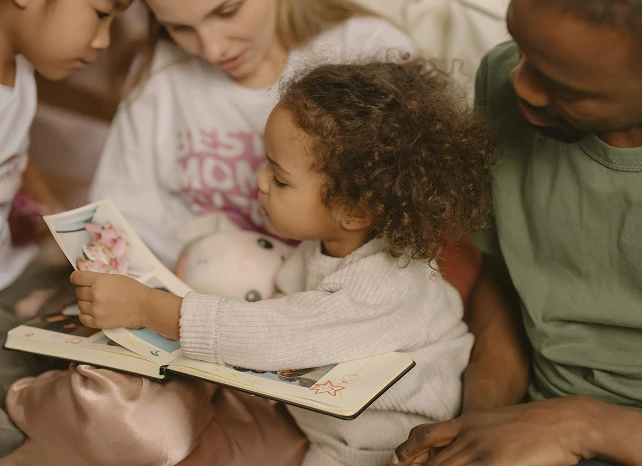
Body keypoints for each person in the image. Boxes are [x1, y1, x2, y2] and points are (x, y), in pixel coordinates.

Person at [67, 57, 497, 466]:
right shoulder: (328, 243)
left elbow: (277, 332)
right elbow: (280, 302)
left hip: (377, 442)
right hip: (315, 414)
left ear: (355, 210)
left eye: (280, 177)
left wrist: (148, 307)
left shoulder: (385, 285)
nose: (260, 182)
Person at [392, 0, 642, 465]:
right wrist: (481, 422)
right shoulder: (510, 83)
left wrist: (581, 424)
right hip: (537, 418)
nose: (519, 83)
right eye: (520, 46)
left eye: (564, 86)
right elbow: (506, 279)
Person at [90, 0, 414, 268]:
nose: (213, 49)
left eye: (227, 11)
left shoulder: (368, 49)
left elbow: (406, 212)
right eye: (180, 28)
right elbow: (121, 217)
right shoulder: (161, 74)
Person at [0, 0, 130, 456]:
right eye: (99, 13)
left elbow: (15, 149)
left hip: (12, 267)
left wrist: (41, 207)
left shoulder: (19, 66)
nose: (103, 39)